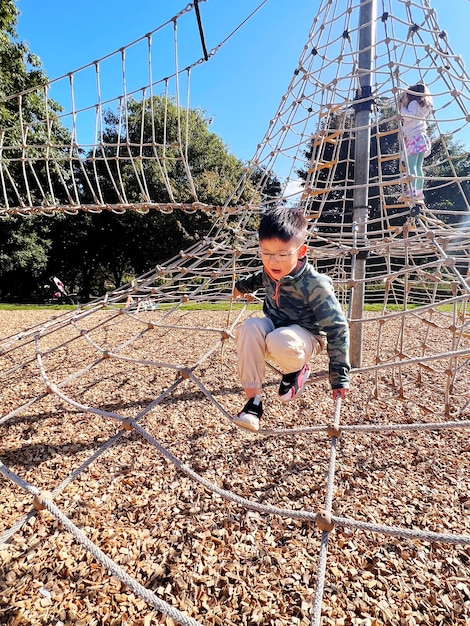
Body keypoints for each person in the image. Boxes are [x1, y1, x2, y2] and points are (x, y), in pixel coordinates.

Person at [232, 206, 350, 432]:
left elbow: (337, 328)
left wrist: (339, 377)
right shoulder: (270, 271)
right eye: (266, 253)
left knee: (280, 339)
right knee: (248, 327)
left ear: (301, 251)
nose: (273, 261)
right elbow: (258, 279)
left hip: (306, 336)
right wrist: (239, 287)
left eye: (282, 254)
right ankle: (253, 403)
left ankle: (297, 370)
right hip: (275, 327)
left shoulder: (316, 284)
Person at [398, 83, 433, 203]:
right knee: (418, 167)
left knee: (411, 165)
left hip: (414, 137)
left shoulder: (413, 103)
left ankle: (411, 189)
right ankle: (418, 191)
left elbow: (408, 117)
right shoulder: (424, 106)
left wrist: (402, 106)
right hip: (422, 138)